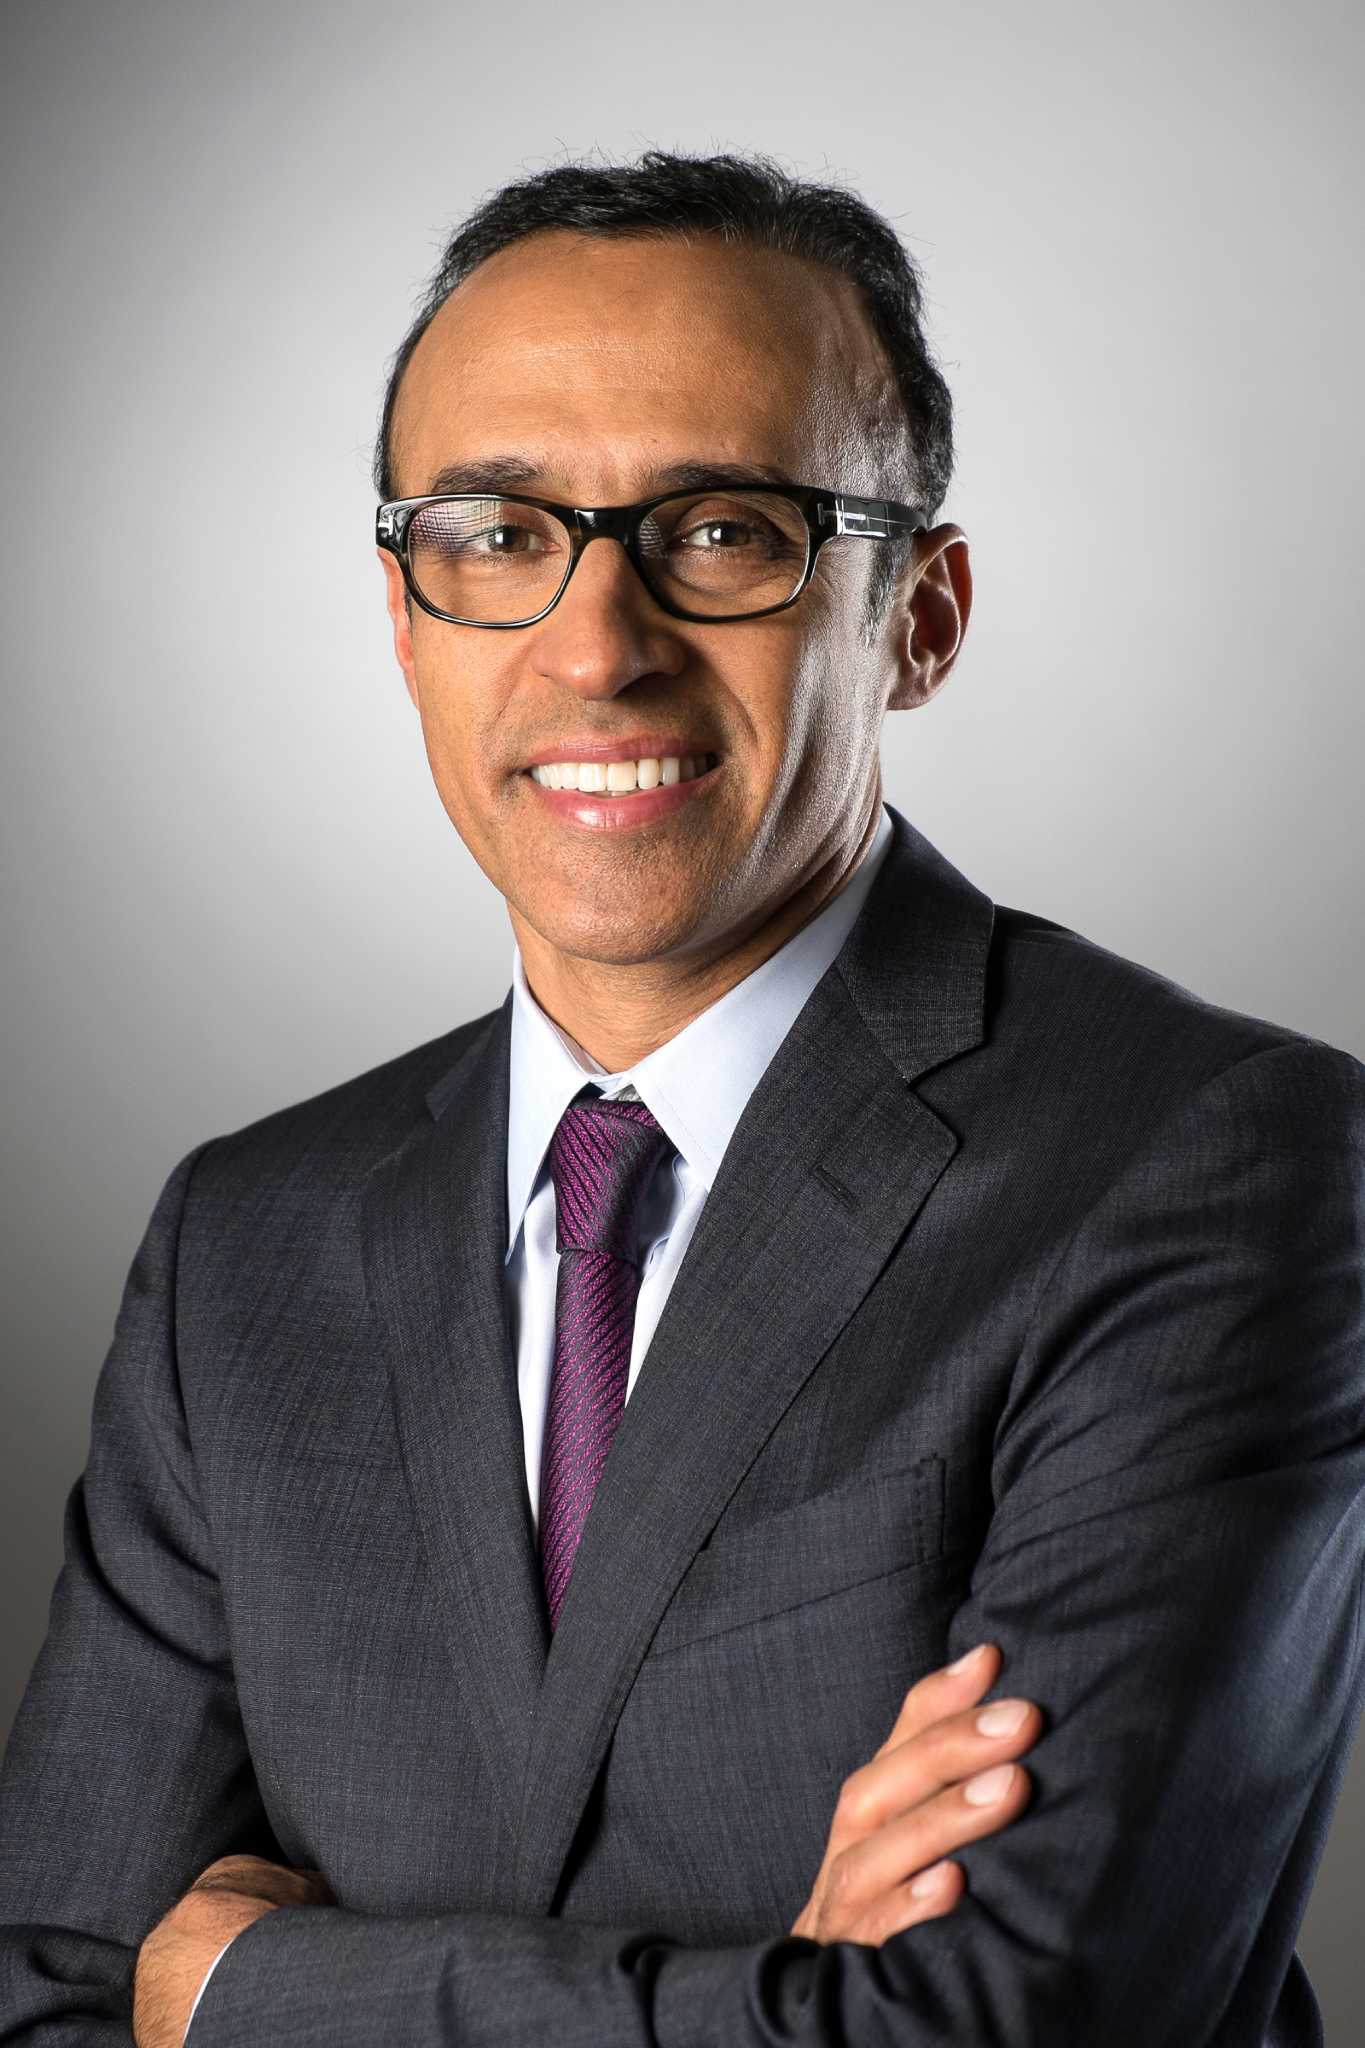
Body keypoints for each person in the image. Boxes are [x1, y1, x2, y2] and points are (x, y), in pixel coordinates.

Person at [1, 150, 1361, 2048]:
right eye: (497, 533)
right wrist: (781, 1992)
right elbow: (48, 2003)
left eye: (722, 531)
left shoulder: (1213, 1164)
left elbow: (1017, 2027)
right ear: (403, 618)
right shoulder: (246, 1245)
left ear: (921, 615)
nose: (595, 647)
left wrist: (245, 1994)